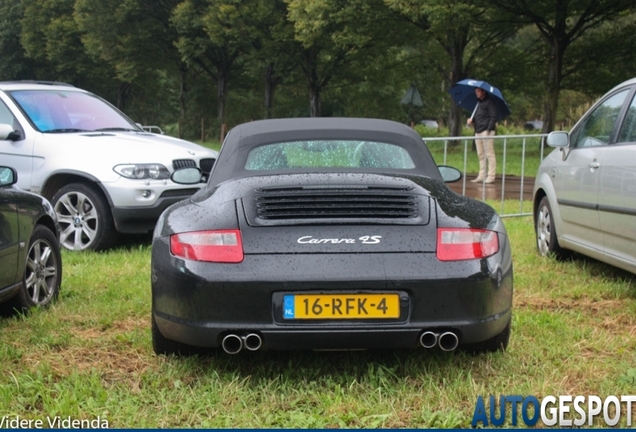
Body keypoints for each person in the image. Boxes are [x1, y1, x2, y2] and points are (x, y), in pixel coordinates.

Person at [467, 88, 498, 183]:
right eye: (476, 91)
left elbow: (493, 117)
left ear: (483, 92)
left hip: (486, 131)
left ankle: (491, 176)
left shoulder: (490, 102)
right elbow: (478, 117)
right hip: (478, 131)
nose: (476, 93)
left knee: (489, 154)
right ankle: (482, 175)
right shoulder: (478, 104)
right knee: (481, 154)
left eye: (478, 91)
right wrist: (471, 121)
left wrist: (488, 130)